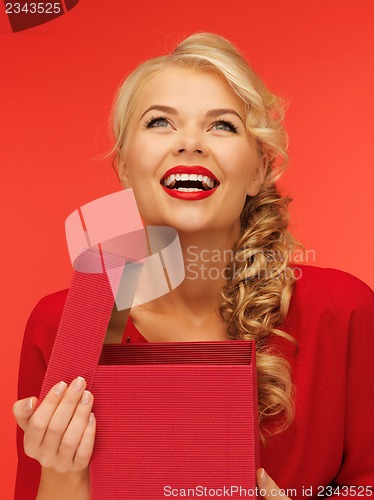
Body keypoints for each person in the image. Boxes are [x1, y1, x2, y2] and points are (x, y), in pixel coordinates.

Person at [13, 32, 374, 499]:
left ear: (258, 171)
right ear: (123, 163)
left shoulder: (341, 311)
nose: (189, 143)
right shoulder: (69, 323)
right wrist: (62, 474)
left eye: (222, 126)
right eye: (160, 121)